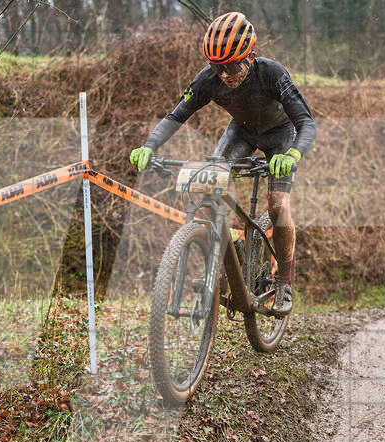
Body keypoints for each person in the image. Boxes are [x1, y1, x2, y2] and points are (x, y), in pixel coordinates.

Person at [129, 11, 316, 315]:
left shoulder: (272, 73)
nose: (224, 75)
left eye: (231, 66)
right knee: (208, 188)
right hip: (241, 133)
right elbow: (177, 115)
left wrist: (293, 154)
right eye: (217, 67)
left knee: (278, 205)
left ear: (250, 57)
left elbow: (307, 123)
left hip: (281, 136)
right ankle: (228, 255)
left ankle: (284, 280)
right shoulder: (208, 80)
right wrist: (149, 145)